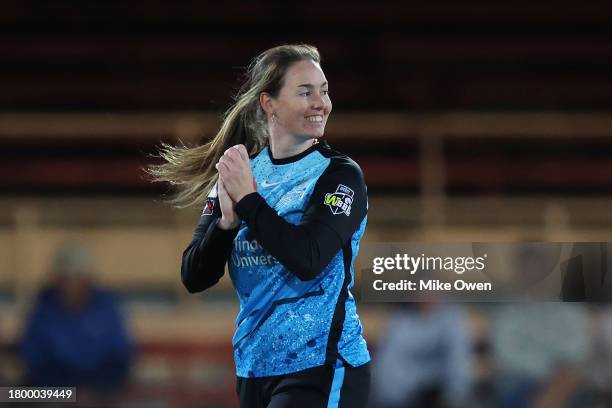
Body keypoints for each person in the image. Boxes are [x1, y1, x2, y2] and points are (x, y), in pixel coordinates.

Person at [148, 44, 370, 407]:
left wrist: (249, 202)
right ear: (269, 103)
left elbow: (308, 258)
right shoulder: (240, 173)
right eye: (305, 91)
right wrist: (226, 224)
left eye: (324, 90)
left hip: (323, 365)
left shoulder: (339, 175)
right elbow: (194, 275)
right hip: (253, 367)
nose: (321, 103)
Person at [20, 243, 134, 406]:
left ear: (88, 279)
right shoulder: (43, 306)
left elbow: (119, 358)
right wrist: (69, 394)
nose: (70, 284)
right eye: (65, 278)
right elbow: (35, 360)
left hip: (100, 390)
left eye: (76, 277)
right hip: (53, 391)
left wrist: (93, 390)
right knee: (12, 394)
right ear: (56, 279)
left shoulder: (106, 306)